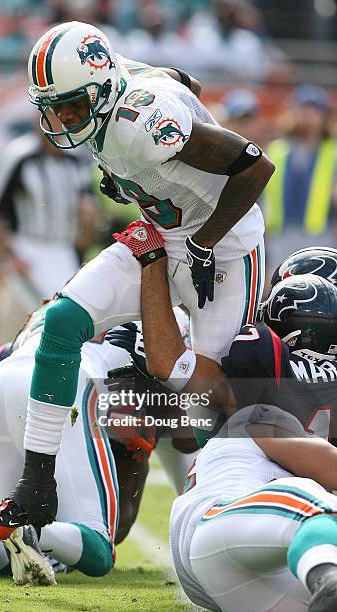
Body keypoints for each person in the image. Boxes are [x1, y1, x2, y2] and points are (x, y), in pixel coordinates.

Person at [0, 21, 274, 537]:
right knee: (64, 319)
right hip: (162, 231)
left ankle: (234, 503)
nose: (60, 118)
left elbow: (254, 166)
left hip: (223, 248)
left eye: (71, 106)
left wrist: (204, 241)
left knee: (204, 394)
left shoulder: (145, 122)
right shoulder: (117, 88)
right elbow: (181, 80)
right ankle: (36, 486)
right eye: (51, 107)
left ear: (103, 87)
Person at [118, 221, 337, 610]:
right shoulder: (259, 396)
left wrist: (152, 261)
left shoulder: (254, 358)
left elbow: (171, 369)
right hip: (234, 512)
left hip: (225, 551)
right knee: (319, 512)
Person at [0, 299, 192, 582]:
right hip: (69, 382)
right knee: (101, 546)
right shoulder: (172, 318)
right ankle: (32, 531)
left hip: (3, 374)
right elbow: (185, 439)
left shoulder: (66, 299)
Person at [0, 125, 97, 347]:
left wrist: (83, 236)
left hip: (63, 249)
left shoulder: (76, 158)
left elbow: (86, 206)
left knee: (64, 322)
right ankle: (2, 373)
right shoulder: (17, 155)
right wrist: (9, 252)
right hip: (26, 246)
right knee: (17, 323)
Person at [263, 84, 337, 276]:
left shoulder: (333, 151)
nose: (308, 116)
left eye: (314, 111)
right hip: (281, 235)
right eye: (303, 109)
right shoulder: (277, 150)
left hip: (321, 236)